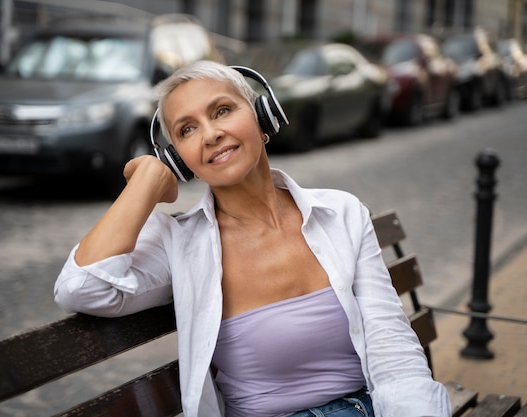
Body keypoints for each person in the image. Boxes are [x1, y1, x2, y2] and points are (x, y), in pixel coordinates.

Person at [54, 60, 451, 417]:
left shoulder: (341, 214)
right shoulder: (179, 242)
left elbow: (392, 348)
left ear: (264, 117)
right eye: (187, 129)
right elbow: (81, 288)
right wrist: (146, 182)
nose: (210, 134)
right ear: (179, 158)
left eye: (222, 110)